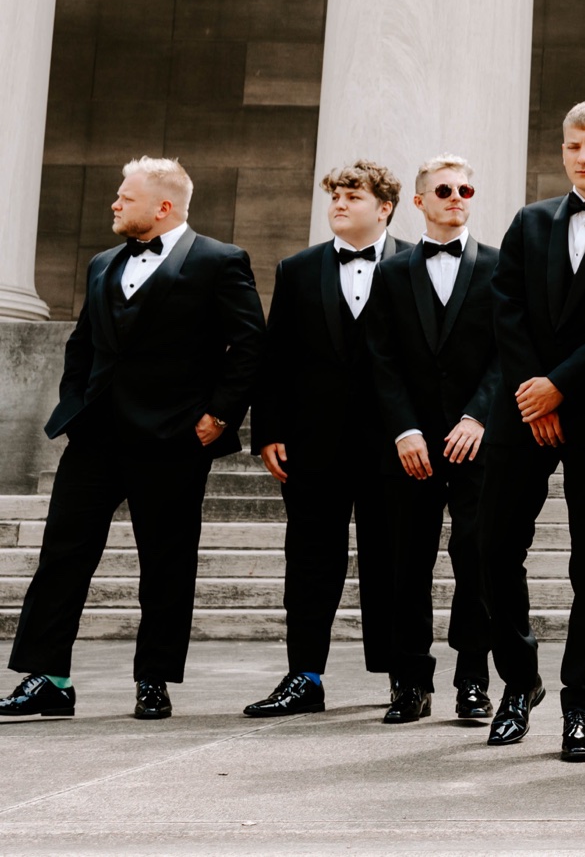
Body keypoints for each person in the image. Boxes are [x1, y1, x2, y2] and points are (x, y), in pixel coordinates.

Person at [1, 158, 263, 721]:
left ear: (162, 206)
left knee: (167, 563)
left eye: (125, 197)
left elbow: (250, 347)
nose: (115, 205)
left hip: (174, 439)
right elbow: (84, 344)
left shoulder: (220, 261)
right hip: (96, 438)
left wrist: (219, 416)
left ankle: (153, 680)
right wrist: (75, 408)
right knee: (62, 557)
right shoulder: (101, 264)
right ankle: (47, 678)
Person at [483, 101, 585, 759]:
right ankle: (519, 682)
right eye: (574, 145)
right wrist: (534, 392)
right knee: (489, 548)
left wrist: (561, 384)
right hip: (524, 410)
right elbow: (505, 308)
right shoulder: (530, 220)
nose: (583, 156)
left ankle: (583, 709)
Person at [244, 160, 409, 717]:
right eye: (334, 195)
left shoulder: (414, 263)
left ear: (384, 206)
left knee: (391, 559)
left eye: (352, 195)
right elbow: (274, 358)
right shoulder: (297, 269)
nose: (338, 204)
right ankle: (304, 677)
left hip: (394, 444)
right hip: (313, 443)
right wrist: (267, 430)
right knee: (311, 560)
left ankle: (401, 677)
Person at [365, 155, 500, 726]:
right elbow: (380, 358)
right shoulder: (392, 271)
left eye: (465, 188)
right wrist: (405, 428)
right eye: (443, 189)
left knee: (475, 559)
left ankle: (473, 680)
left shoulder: (499, 266)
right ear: (419, 202)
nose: (456, 196)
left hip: (476, 443)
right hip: (411, 444)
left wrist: (479, 416)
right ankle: (409, 683)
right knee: (406, 562)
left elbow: (508, 353)